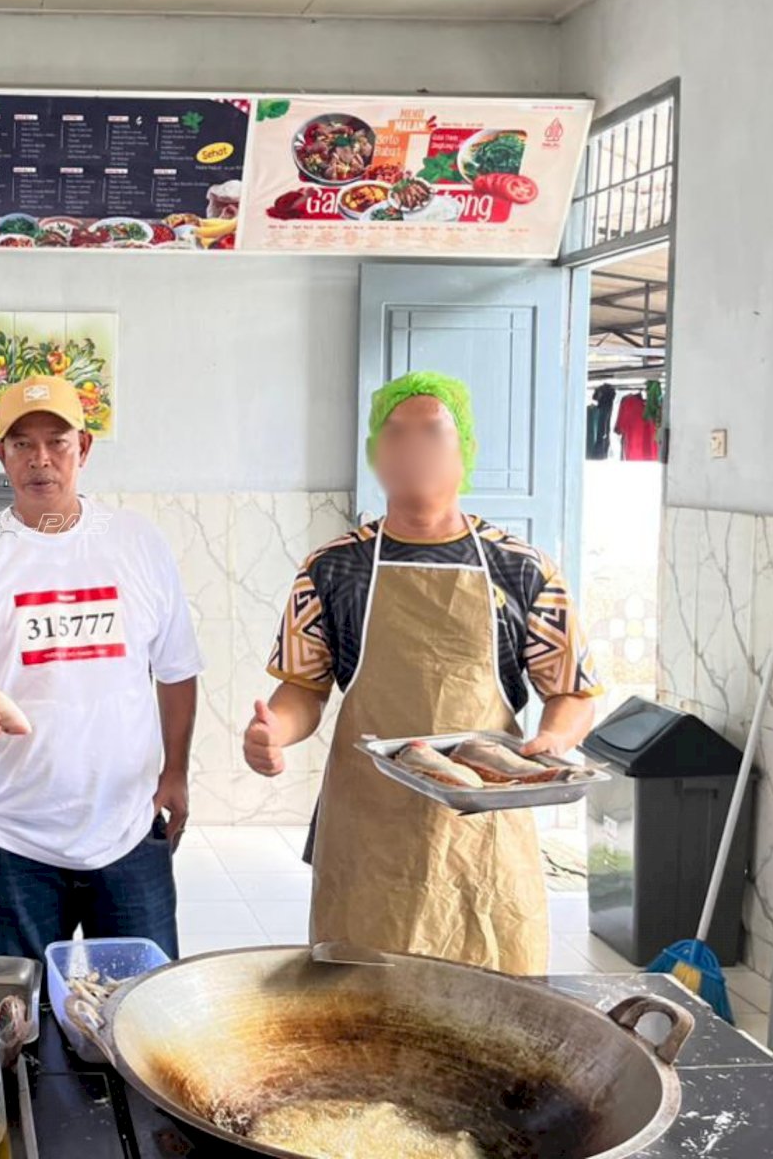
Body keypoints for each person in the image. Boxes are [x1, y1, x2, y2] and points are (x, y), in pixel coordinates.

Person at [242, 371, 602, 974]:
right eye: (395, 432)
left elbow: (571, 691)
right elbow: (304, 688)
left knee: (486, 1023)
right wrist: (273, 732)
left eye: (432, 431)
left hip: (482, 837)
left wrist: (554, 740)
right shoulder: (333, 570)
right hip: (368, 834)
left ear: (465, 448)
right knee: (363, 1016)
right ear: (373, 452)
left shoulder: (523, 569)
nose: (412, 448)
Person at [0, 376, 202, 960]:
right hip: (13, 838)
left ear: (83, 449)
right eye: (21, 443)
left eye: (56, 442)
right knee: (28, 1027)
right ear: (1, 455)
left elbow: (177, 669)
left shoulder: (136, 544)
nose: (40, 459)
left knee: (138, 1014)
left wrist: (178, 771)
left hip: (128, 826)